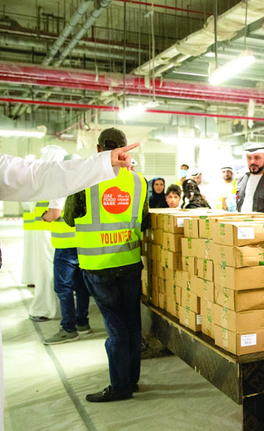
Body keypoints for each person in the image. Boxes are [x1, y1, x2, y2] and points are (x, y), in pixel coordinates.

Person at [0, 139, 138, 431]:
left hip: (87, 258)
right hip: (116, 259)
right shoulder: (138, 182)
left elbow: (39, 176)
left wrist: (102, 163)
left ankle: (73, 327)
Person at [64, 128, 150, 403]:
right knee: (132, 324)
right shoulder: (139, 181)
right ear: (125, 149)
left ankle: (120, 387)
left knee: (115, 328)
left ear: (99, 150)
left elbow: (69, 218)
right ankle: (131, 380)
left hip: (98, 266)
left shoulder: (84, 182)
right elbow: (145, 221)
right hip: (130, 262)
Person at [43, 184, 91, 345]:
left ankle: (68, 328)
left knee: (63, 287)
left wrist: (44, 216)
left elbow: (54, 214)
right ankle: (82, 323)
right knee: (81, 285)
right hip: (82, 242)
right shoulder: (84, 186)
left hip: (65, 245)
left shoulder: (60, 188)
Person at [25, 145, 68, 322]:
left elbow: (51, 211)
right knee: (48, 271)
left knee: (47, 272)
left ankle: (47, 309)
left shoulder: (44, 180)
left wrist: (44, 217)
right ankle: (49, 308)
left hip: (46, 232)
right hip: (47, 232)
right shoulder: (52, 179)